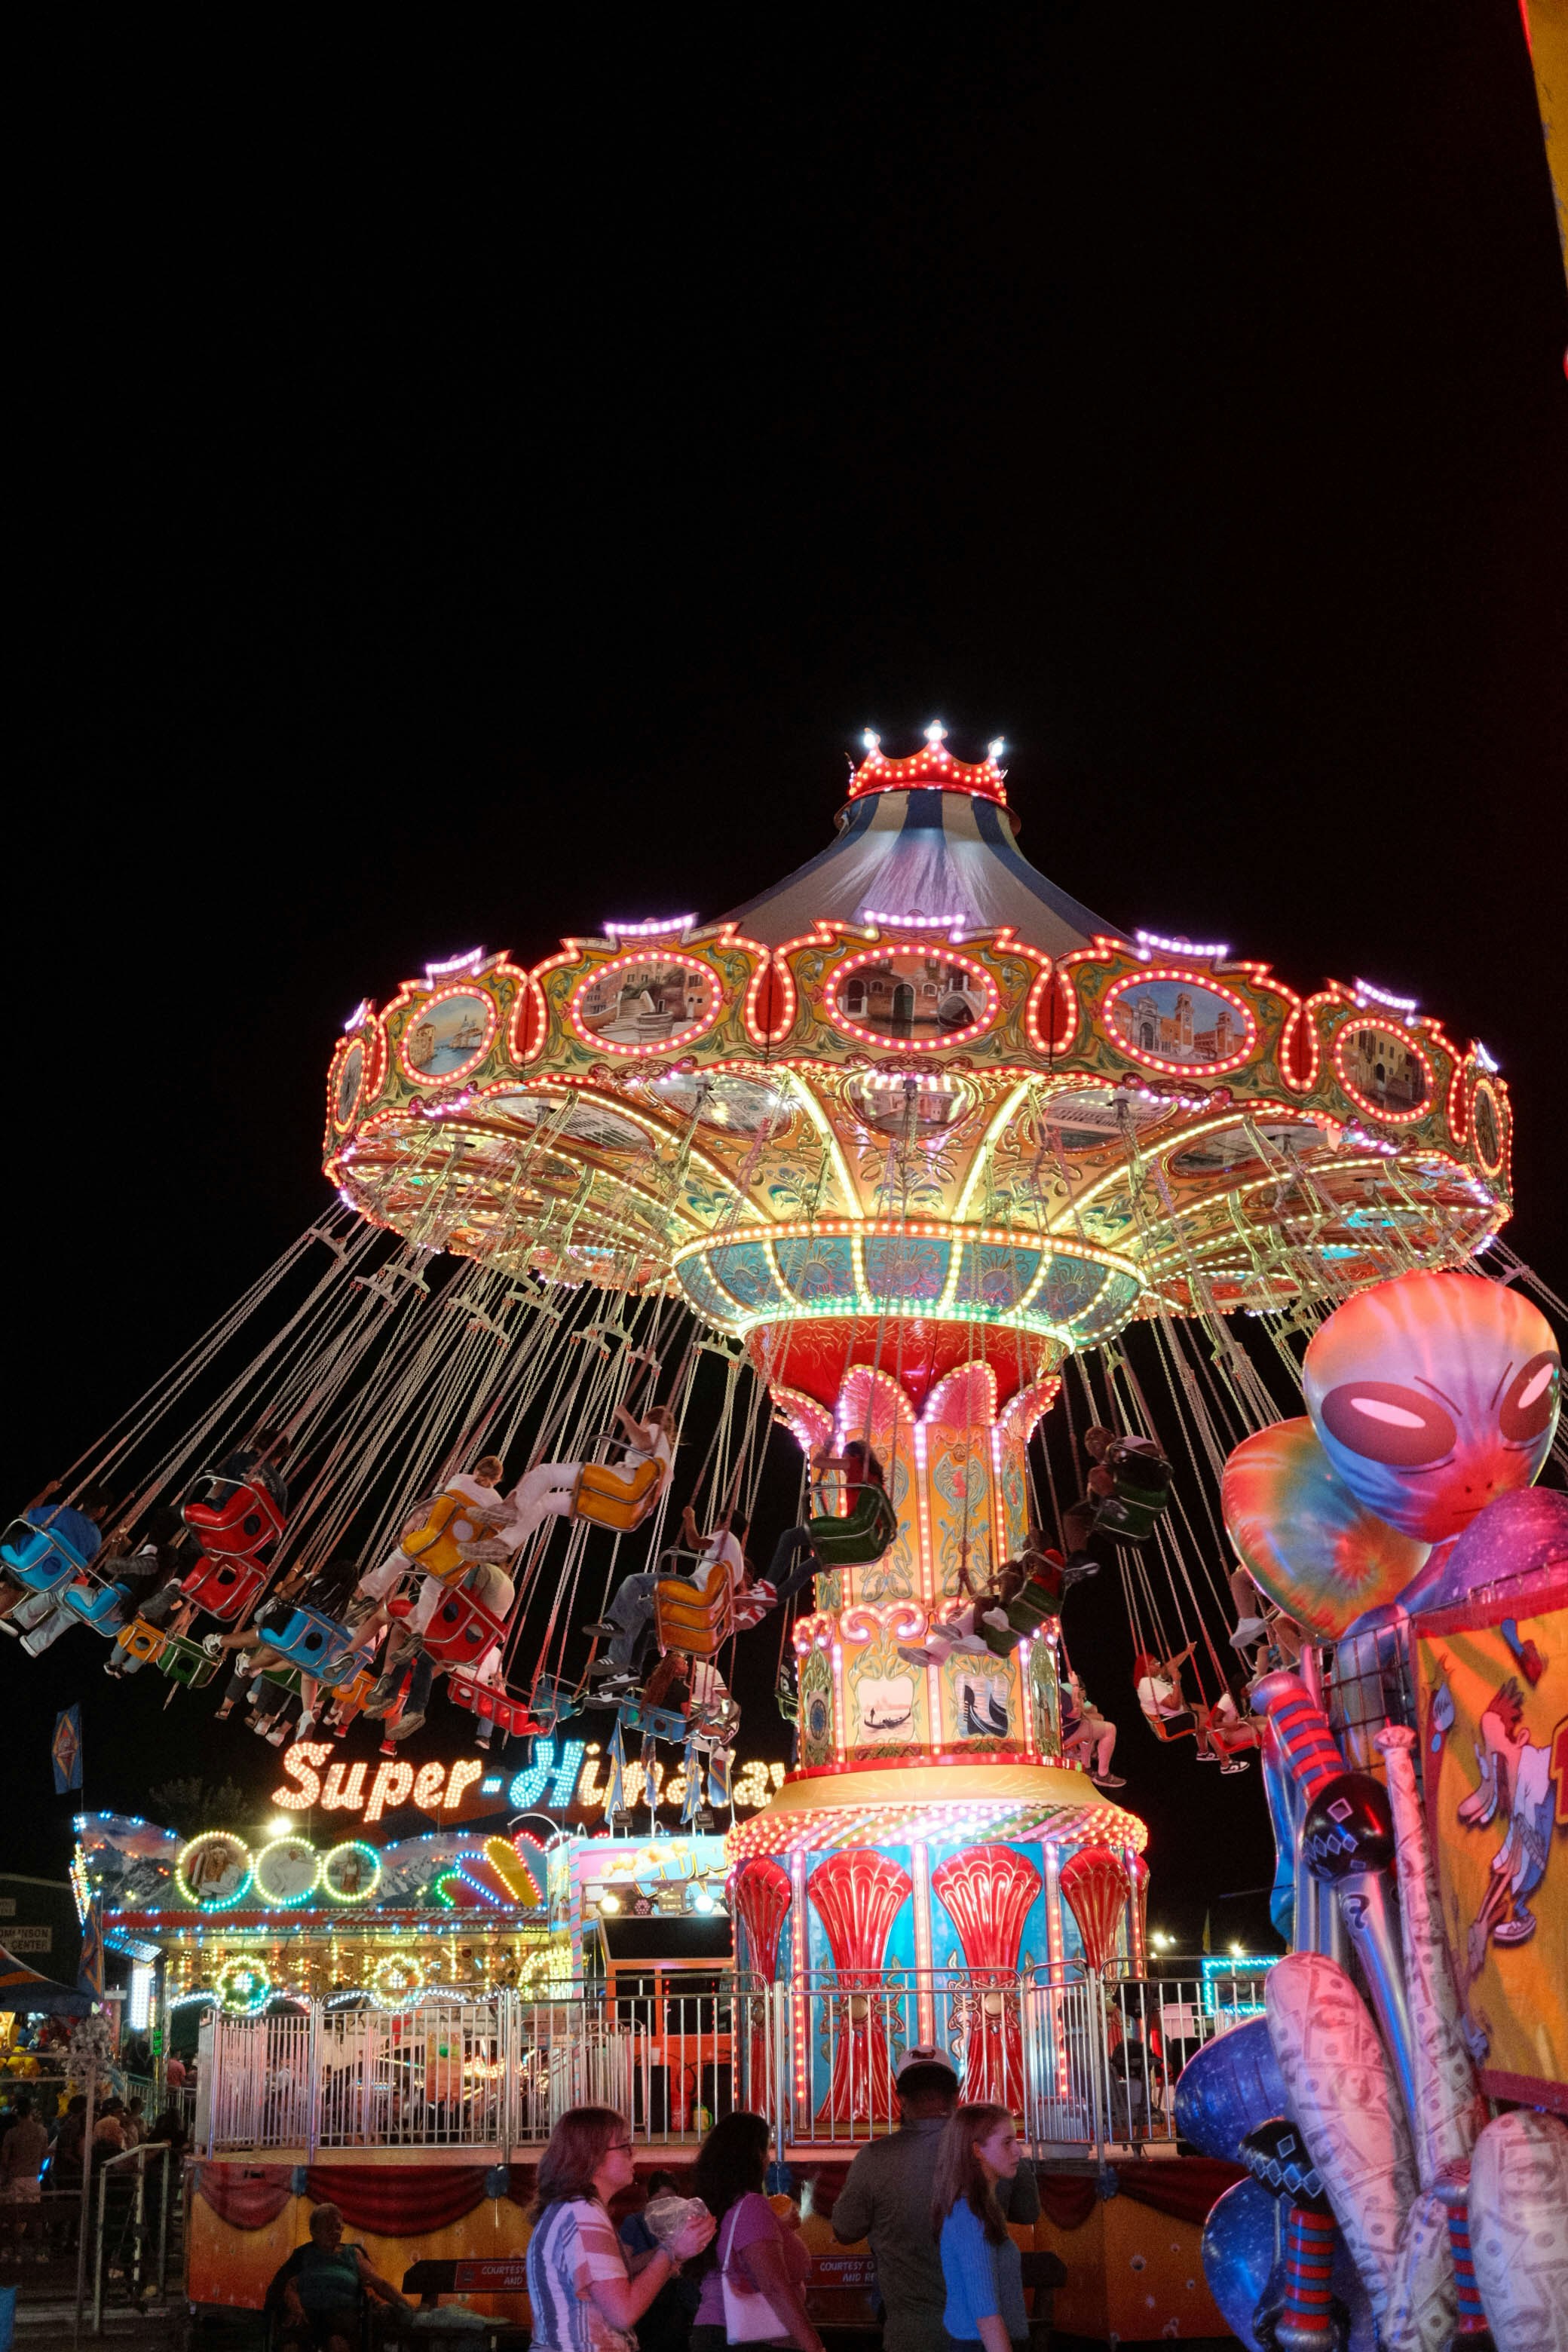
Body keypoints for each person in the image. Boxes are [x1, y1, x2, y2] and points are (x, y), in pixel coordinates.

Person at [831, 2060, 1039, 2352]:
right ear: (956, 2097)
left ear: (901, 2101)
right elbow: (1029, 2212)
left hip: (912, 2335)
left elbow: (844, 2229)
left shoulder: (874, 2158)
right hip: (985, 2335)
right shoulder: (993, 2152)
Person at [525, 2104, 713, 2352]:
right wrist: (670, 2251)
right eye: (624, 2146)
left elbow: (614, 2294)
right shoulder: (582, 2214)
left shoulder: (572, 2210)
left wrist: (675, 2256)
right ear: (593, 2157)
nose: (633, 2153)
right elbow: (622, 2312)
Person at [690, 2110, 822, 2352]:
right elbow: (774, 2285)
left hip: (720, 2332)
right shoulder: (751, 2206)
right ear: (752, 2156)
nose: (769, 2160)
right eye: (767, 2150)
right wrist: (814, 2346)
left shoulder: (720, 2205)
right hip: (747, 2338)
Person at [586, 1511, 747, 1694]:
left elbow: (694, 1542)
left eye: (718, 1522)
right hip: (701, 1613)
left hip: (694, 1591)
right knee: (641, 1618)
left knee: (634, 1582)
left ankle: (613, 1625)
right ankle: (627, 1674)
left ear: (725, 1523)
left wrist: (690, 1518)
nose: (715, 1526)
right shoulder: (739, 1565)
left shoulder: (725, 1536)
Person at [509, 1404, 678, 1548]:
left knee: (546, 1472)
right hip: (626, 1511)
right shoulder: (665, 1459)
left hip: (626, 1485)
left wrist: (625, 1416)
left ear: (649, 1419)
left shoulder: (656, 1429)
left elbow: (642, 1442)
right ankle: (504, 1543)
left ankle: (512, 1511)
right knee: (546, 1503)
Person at [931, 2104, 1029, 2352]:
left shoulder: (978, 2210)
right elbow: (986, 2315)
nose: (1018, 2151)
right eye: (1007, 2143)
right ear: (977, 2151)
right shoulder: (971, 2218)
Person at [273, 2200, 413, 2352]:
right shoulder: (303, 2255)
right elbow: (287, 2286)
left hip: (340, 2313)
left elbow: (379, 2283)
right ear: (313, 2232)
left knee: (337, 2343)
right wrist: (296, 2309)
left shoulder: (353, 2254)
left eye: (338, 2227)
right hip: (307, 2311)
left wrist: (407, 2307)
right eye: (328, 2228)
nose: (335, 2232)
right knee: (291, 2346)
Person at [767, 1440, 892, 1602]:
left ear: (853, 1454)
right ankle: (769, 1603)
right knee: (807, 1568)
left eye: (844, 1456)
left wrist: (827, 1447)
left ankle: (767, 1586)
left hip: (855, 1533)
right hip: (864, 1543)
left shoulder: (856, 1464)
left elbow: (818, 1462)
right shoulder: (875, 1480)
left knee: (789, 1537)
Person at [617, 2167, 701, 2352]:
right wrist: (662, 2250)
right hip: (648, 2305)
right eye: (659, 2202)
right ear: (649, 2199)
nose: (664, 2208)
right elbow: (626, 2266)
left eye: (670, 2201)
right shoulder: (635, 2223)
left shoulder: (681, 2223)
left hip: (676, 2307)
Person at [1, 2094, 49, 2256]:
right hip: (33, 2178)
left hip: (16, 2177)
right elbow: (44, 2154)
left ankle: (16, 2250)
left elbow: (5, 2159)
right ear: (31, 2112)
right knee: (35, 2215)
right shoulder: (42, 2131)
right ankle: (38, 2251)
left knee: (15, 2215)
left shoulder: (12, 2133)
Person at [1060, 1672, 1125, 1788]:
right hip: (1067, 1732)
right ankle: (1103, 1774)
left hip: (1067, 1729)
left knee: (1092, 1725)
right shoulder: (1062, 1690)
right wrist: (1075, 1687)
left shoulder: (1054, 1690)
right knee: (1110, 1729)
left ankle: (1086, 1766)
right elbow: (1075, 1713)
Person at [1132, 1643, 1198, 1734]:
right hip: (1170, 1721)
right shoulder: (1148, 1684)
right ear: (1146, 1668)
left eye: (1158, 1662)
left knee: (1207, 1711)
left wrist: (1187, 1652)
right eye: (1155, 1663)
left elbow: (1169, 1667)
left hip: (1178, 1712)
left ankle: (1203, 1748)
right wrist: (1176, 1682)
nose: (1159, 1665)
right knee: (1209, 1722)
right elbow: (1174, 1706)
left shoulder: (1151, 1679)